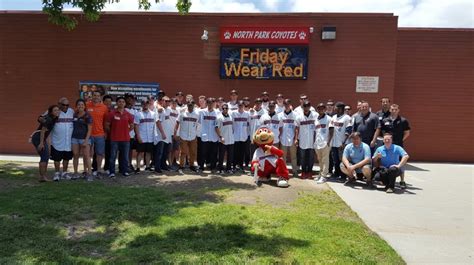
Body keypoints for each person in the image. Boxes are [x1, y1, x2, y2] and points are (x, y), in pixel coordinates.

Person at [380, 103, 411, 188]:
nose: (394, 111)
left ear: (398, 110)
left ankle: (402, 180)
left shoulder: (403, 120)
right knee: (385, 160)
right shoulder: (385, 120)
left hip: (398, 144)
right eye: (392, 109)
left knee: (401, 161)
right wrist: (386, 140)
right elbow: (382, 132)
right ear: (390, 110)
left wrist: (401, 140)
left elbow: (407, 132)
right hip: (386, 145)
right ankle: (385, 178)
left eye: (395, 109)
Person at [105, 96, 134, 178]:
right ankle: (112, 172)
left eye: (123, 102)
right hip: (114, 139)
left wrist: (126, 131)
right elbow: (107, 125)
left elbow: (132, 126)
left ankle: (124, 171)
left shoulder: (128, 114)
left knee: (125, 157)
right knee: (112, 157)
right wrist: (112, 131)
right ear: (117, 103)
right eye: (119, 101)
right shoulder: (112, 113)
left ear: (125, 104)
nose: (121, 103)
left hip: (125, 139)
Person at [31, 105, 60, 182]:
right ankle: (42, 177)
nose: (57, 112)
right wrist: (41, 143)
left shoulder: (54, 118)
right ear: (51, 112)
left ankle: (43, 176)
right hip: (38, 138)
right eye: (55, 110)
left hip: (41, 138)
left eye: (58, 110)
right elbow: (43, 131)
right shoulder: (49, 119)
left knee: (45, 156)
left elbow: (41, 118)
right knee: (45, 156)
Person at [50, 97, 75, 181]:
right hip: (57, 140)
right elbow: (42, 118)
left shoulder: (72, 112)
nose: (65, 106)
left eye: (67, 105)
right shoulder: (55, 111)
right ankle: (57, 173)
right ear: (59, 104)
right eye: (63, 104)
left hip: (68, 141)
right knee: (56, 158)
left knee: (66, 158)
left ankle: (64, 173)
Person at [86, 91, 108, 177]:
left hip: (100, 134)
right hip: (88, 134)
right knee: (88, 153)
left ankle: (99, 169)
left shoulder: (104, 107)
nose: (96, 97)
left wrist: (105, 132)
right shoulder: (86, 105)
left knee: (100, 153)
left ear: (100, 97)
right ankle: (88, 170)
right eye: (94, 95)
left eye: (98, 96)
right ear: (92, 96)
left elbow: (105, 121)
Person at [329, 102, 353, 182]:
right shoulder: (334, 117)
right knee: (335, 160)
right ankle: (336, 174)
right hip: (334, 143)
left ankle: (343, 176)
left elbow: (348, 131)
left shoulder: (347, 118)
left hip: (342, 144)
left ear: (340, 108)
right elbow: (331, 129)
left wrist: (343, 143)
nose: (335, 109)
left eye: (336, 107)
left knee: (342, 161)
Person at [174, 101, 199, 174]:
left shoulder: (196, 114)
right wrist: (175, 133)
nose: (190, 106)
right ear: (187, 105)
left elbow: (196, 124)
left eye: (192, 105)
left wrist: (195, 133)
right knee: (183, 152)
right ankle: (181, 166)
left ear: (194, 105)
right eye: (189, 105)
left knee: (193, 152)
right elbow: (177, 123)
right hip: (183, 135)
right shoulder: (182, 113)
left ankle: (191, 165)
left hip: (193, 135)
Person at [71, 99, 93, 181]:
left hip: (84, 139)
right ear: (76, 106)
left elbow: (90, 129)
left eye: (82, 105)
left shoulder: (88, 116)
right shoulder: (74, 115)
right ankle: (75, 173)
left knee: (86, 156)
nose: (80, 106)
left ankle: (89, 173)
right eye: (79, 105)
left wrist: (86, 140)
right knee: (75, 155)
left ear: (84, 106)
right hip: (74, 138)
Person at [295, 101, 317, 179]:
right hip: (302, 140)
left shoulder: (315, 115)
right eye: (305, 106)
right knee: (302, 157)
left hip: (312, 140)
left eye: (308, 106)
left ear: (310, 106)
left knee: (311, 157)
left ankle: (310, 172)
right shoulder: (299, 117)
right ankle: (304, 172)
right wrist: (296, 139)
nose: (306, 107)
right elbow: (297, 128)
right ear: (303, 107)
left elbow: (318, 128)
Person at [134, 100, 156, 172]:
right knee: (140, 152)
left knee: (148, 152)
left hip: (150, 137)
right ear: (141, 104)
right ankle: (138, 167)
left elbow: (155, 126)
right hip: (142, 137)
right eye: (143, 104)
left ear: (149, 104)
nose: (145, 105)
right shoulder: (138, 114)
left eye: (146, 103)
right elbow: (136, 126)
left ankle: (148, 166)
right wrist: (138, 136)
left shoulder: (153, 114)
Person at [198, 98, 219, 173]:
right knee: (203, 152)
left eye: (212, 103)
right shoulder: (202, 112)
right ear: (206, 103)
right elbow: (199, 123)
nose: (210, 104)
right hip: (204, 135)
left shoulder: (217, 112)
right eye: (209, 103)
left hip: (214, 136)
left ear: (214, 104)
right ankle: (201, 167)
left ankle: (213, 167)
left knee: (213, 153)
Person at [314, 103, 334, 184]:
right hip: (318, 142)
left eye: (322, 108)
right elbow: (316, 132)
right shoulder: (316, 119)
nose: (320, 110)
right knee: (320, 160)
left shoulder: (329, 118)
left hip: (325, 143)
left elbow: (331, 130)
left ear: (325, 109)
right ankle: (320, 173)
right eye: (319, 108)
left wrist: (328, 141)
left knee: (325, 160)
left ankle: (324, 176)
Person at [279, 99, 298, 177]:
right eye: (285, 104)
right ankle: (284, 171)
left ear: (290, 105)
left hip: (292, 139)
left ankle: (295, 171)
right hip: (283, 139)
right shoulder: (280, 115)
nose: (287, 105)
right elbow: (279, 127)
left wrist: (296, 138)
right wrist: (279, 137)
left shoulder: (295, 115)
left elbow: (296, 128)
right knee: (283, 157)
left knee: (293, 156)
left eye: (288, 104)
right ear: (284, 105)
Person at [231, 100, 250, 173]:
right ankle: (234, 166)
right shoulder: (234, 113)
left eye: (242, 105)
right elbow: (231, 124)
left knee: (242, 152)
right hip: (235, 136)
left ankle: (241, 166)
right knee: (235, 152)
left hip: (243, 136)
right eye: (239, 105)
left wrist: (247, 134)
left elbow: (248, 125)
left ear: (243, 106)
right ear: (237, 106)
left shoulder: (247, 114)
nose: (240, 106)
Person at [216, 103, 235, 174]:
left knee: (230, 155)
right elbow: (216, 128)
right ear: (221, 109)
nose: (225, 109)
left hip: (231, 139)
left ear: (228, 109)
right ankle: (220, 169)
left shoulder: (231, 117)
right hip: (223, 140)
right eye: (223, 108)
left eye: (226, 108)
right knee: (221, 155)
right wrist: (220, 137)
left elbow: (233, 127)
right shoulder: (219, 117)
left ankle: (228, 169)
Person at [124, 93, 138, 172]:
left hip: (132, 135)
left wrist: (136, 134)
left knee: (130, 151)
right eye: (128, 98)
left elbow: (136, 124)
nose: (129, 100)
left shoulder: (134, 111)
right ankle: (124, 165)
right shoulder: (123, 109)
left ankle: (129, 164)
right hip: (123, 135)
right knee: (123, 151)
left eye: (131, 98)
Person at [168, 98, 181, 170]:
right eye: (172, 102)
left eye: (175, 103)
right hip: (169, 133)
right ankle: (169, 164)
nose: (174, 104)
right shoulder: (168, 110)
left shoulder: (178, 110)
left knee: (174, 149)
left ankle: (172, 163)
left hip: (177, 133)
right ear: (170, 103)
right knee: (169, 150)